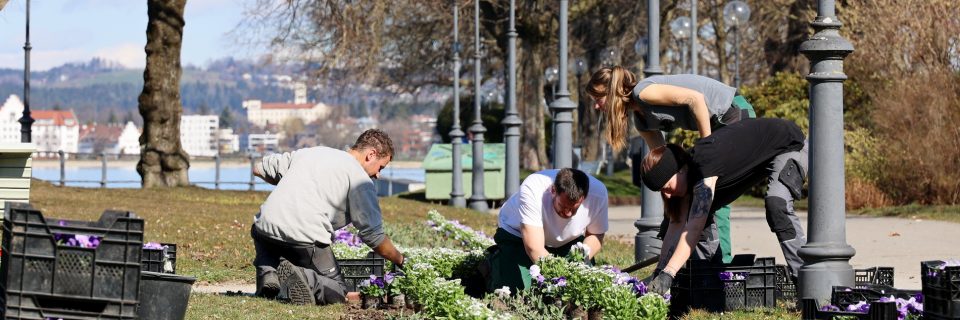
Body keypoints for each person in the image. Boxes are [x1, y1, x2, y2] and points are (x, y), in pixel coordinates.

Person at [587, 66, 758, 264]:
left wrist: (707, 149)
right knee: (694, 191)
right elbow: (665, 168)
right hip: (720, 123)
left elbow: (696, 100)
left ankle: (720, 266)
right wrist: (671, 213)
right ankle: (695, 261)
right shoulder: (642, 122)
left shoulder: (644, 91)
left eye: (598, 98)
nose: (596, 106)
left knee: (712, 192)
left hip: (732, 113)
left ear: (613, 92)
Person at [638, 118, 808, 295]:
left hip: (790, 144)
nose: (666, 194)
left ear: (680, 170)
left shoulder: (704, 167)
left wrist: (669, 274)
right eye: (661, 191)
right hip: (759, 156)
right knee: (691, 214)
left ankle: (805, 282)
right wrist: (659, 271)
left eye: (667, 187)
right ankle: (711, 285)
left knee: (776, 205)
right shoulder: (684, 178)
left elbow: (692, 229)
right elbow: (676, 225)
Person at [250, 129, 405, 305]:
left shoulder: (314, 152)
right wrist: (401, 260)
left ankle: (268, 272)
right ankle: (304, 277)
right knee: (338, 291)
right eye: (380, 167)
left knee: (269, 243)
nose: (378, 174)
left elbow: (259, 168)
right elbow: (374, 237)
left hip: (263, 227)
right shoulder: (360, 180)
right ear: (371, 155)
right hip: (304, 236)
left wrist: (294, 183)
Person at [486, 168, 609, 292]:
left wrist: (579, 261)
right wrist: (560, 275)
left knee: (584, 285)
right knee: (523, 289)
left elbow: (595, 235)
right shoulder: (533, 188)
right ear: (553, 190)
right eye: (563, 206)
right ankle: (495, 261)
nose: (567, 213)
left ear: (583, 198)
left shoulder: (598, 194)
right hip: (518, 236)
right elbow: (534, 248)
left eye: (574, 208)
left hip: (567, 239)